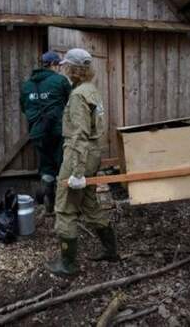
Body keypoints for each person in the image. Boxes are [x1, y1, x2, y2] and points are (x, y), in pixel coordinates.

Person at [45, 48, 119, 277]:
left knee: (65, 209)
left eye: (67, 65)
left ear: (75, 68)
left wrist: (76, 171)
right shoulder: (92, 91)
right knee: (89, 203)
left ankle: (68, 265)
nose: (64, 68)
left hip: (79, 155)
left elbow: (79, 133)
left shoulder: (78, 95)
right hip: (93, 153)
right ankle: (111, 250)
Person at [20, 51, 72, 213]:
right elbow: (71, 103)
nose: (60, 69)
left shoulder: (27, 85)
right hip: (58, 131)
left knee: (47, 166)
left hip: (38, 133)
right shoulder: (60, 81)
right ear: (54, 65)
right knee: (63, 165)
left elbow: (24, 108)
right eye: (59, 65)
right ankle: (63, 206)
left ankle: (48, 198)